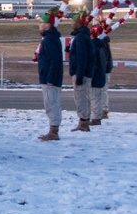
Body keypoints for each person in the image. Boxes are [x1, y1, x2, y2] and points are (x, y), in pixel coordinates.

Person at [37, 8, 64, 141]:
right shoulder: (52, 39)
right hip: (50, 77)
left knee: (51, 103)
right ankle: (53, 129)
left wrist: (50, 78)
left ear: (48, 24)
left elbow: (55, 60)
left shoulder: (48, 40)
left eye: (41, 22)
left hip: (50, 79)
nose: (39, 25)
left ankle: (54, 131)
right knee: (52, 102)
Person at [68, 11, 96, 132]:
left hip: (82, 73)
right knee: (84, 97)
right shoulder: (83, 37)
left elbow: (82, 58)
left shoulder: (80, 38)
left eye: (74, 21)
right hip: (85, 72)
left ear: (78, 23)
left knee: (81, 98)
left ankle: (83, 122)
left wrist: (79, 75)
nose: (72, 23)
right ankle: (84, 121)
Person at [89, 25, 110, 126]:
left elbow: (95, 63)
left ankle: (96, 117)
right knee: (97, 96)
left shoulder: (95, 46)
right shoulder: (101, 46)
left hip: (97, 76)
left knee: (95, 97)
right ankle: (97, 115)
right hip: (100, 74)